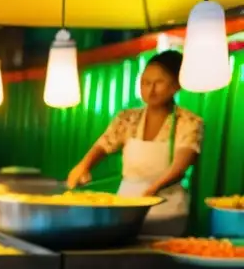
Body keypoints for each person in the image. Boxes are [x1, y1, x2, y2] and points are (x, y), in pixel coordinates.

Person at [66, 50, 203, 235]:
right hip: (127, 206)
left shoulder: (188, 122)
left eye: (158, 82)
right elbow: (104, 144)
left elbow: (180, 166)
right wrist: (83, 166)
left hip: (167, 209)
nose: (150, 89)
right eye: (145, 83)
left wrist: (152, 190)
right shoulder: (128, 118)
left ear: (175, 86)